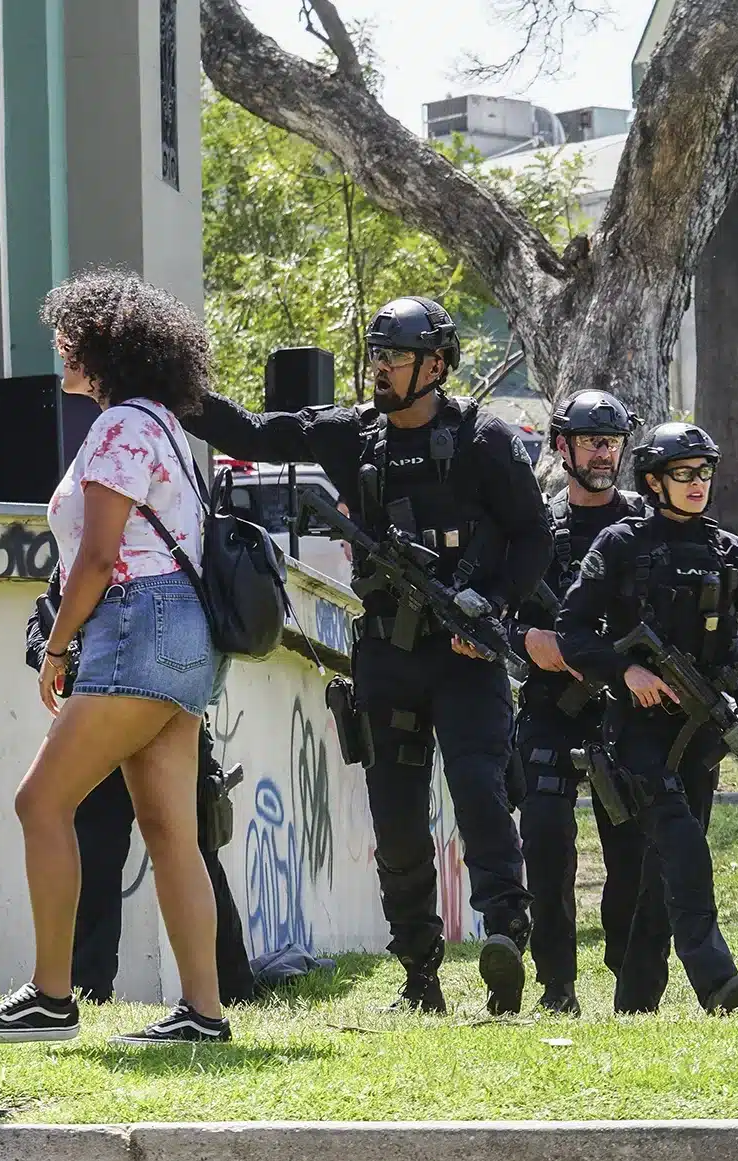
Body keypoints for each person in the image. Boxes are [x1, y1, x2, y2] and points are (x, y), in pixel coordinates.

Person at [181, 297, 548, 1015]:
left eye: (396, 356)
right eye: (376, 354)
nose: (380, 368)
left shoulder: (484, 439)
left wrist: (492, 604)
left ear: (435, 366)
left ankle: (506, 932)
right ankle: (419, 975)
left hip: (466, 656)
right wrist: (167, 386)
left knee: (480, 791)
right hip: (386, 654)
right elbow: (250, 432)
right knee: (397, 821)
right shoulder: (351, 434)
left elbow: (534, 537)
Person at [0, 269, 229, 1047]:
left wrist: (59, 644)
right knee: (171, 829)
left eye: (70, 335)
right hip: (186, 633)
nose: (60, 345)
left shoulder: (116, 429)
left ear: (106, 347)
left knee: (40, 801)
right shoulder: (164, 425)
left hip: (136, 623)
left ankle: (50, 996)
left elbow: (99, 557)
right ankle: (203, 1012)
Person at [557, 422, 738, 1015]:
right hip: (636, 730)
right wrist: (625, 673)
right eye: (683, 473)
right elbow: (572, 630)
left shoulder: (728, 551)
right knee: (683, 845)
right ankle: (717, 982)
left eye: (704, 473)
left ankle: (635, 1002)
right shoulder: (620, 543)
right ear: (654, 481)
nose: (696, 484)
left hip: (703, 732)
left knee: (664, 872)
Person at [23, 571, 257, 1007]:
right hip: (107, 705)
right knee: (101, 850)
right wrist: (56, 654)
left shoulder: (138, 554)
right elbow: (45, 611)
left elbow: (95, 565)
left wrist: (58, 651)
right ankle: (90, 987)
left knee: (191, 846)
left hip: (134, 697)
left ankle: (230, 991)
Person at [508, 389, 651, 1016]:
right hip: (551, 707)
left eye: (612, 442)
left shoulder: (645, 525)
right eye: (592, 442)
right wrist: (527, 640)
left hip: (626, 708)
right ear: (562, 446)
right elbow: (497, 611)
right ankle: (556, 983)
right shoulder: (537, 529)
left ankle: (628, 976)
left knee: (631, 851)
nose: (603, 454)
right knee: (544, 841)